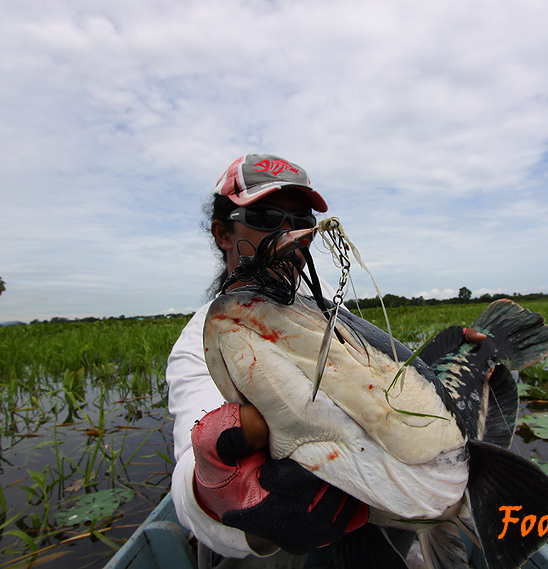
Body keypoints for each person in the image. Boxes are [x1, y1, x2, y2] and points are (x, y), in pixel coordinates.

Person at [167, 154, 487, 569]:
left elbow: (384, 394)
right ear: (222, 233)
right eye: (264, 216)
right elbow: (189, 481)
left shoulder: (333, 318)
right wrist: (215, 491)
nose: (287, 233)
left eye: (299, 220)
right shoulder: (205, 338)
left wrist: (459, 355)